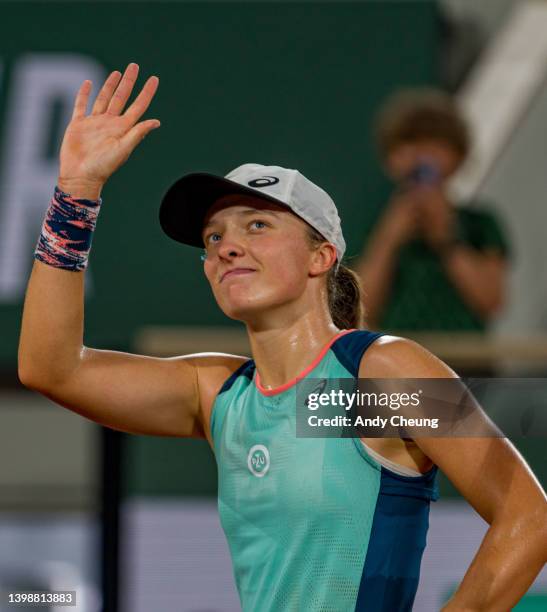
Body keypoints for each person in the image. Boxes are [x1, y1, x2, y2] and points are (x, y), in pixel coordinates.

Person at [18, 64, 546, 611]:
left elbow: (530, 516)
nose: (226, 247)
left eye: (257, 225)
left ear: (321, 257)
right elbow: (50, 368)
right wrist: (76, 195)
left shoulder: (384, 372)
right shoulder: (220, 395)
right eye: (213, 237)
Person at [355, 88, 511, 332]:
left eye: (436, 143)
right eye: (410, 142)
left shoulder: (480, 223)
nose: (422, 155)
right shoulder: (372, 222)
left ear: (458, 156)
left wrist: (446, 237)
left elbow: (492, 300)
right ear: (390, 157)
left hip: (468, 362)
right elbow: (360, 307)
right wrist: (389, 238)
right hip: (396, 361)